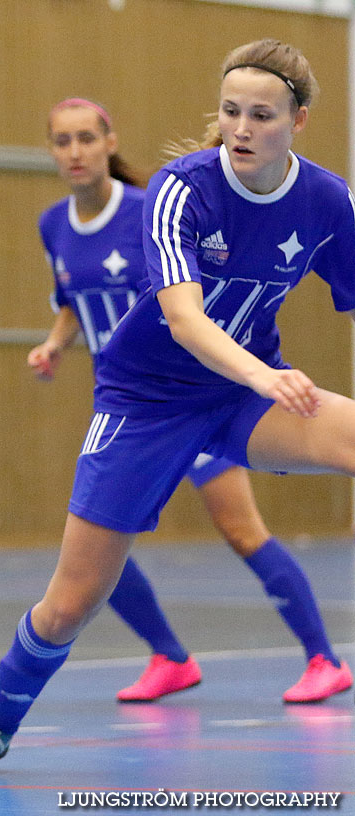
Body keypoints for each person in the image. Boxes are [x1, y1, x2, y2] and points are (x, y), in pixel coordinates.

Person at [0, 39, 355, 777]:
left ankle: (321, 655)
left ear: (300, 120)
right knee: (71, 603)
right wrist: (265, 377)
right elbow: (186, 319)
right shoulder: (181, 188)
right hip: (149, 401)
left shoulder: (326, 200)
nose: (242, 128)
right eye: (231, 111)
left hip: (241, 394)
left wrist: (261, 381)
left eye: (262, 115)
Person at [30, 97, 347, 705]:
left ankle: (322, 659)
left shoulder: (151, 208)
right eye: (61, 141)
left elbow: (189, 300)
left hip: (197, 391)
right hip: (132, 404)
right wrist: (53, 344)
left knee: (240, 528)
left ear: (108, 142)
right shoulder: (53, 225)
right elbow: (71, 296)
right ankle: (170, 657)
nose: (75, 152)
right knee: (96, 548)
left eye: (85, 139)